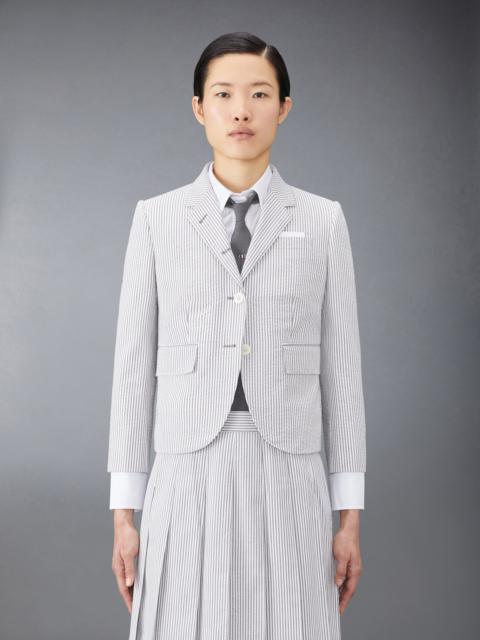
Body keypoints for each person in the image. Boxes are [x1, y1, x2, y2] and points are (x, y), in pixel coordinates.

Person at [107, 31, 366, 640]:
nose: (241, 110)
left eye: (259, 94)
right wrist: (124, 514)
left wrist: (350, 519)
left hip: (290, 466)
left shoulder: (322, 220)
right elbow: (131, 366)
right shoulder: (157, 219)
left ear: (284, 107)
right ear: (200, 108)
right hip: (186, 466)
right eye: (223, 94)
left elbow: (343, 372)